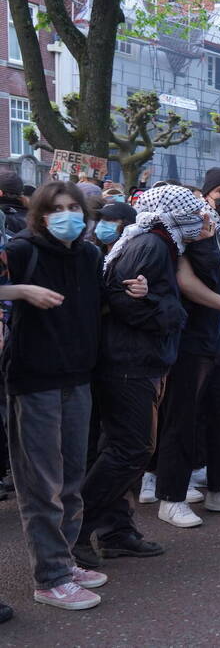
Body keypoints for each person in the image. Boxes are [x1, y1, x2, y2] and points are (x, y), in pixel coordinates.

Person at [3, 182, 119, 610]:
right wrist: (20, 291)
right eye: (57, 208)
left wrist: (133, 290)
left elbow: (101, 301)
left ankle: (64, 560)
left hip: (79, 376)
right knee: (40, 484)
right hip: (33, 380)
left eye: (74, 207)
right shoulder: (20, 251)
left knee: (72, 477)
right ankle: (49, 577)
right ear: (39, 213)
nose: (67, 215)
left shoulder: (89, 254)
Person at [78, 185, 207, 568]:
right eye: (192, 210)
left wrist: (160, 305)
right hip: (130, 362)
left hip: (140, 360)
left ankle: (116, 531)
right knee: (129, 450)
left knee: (123, 450)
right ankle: (77, 529)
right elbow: (122, 300)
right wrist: (171, 313)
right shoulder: (152, 245)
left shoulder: (160, 243)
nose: (200, 217)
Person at [154, 169, 220, 528]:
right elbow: (185, 281)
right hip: (189, 338)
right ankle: (171, 497)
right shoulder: (185, 230)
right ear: (204, 195)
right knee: (182, 419)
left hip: (215, 338)